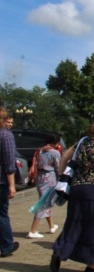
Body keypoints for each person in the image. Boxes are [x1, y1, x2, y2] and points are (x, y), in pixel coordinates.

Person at [51, 117, 94, 272]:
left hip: (76, 189)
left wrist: (61, 176)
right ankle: (92, 264)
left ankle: (58, 252)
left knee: (74, 223)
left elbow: (65, 156)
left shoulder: (81, 143)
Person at [27, 132, 62, 238]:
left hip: (39, 178)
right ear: (56, 143)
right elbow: (58, 167)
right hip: (50, 178)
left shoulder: (39, 150)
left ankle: (51, 226)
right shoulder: (55, 153)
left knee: (45, 200)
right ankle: (33, 230)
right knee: (43, 203)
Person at [0, 108, 19, 258]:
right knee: (1, 214)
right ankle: (6, 245)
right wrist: (12, 185)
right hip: (1, 181)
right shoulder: (5, 135)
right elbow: (9, 162)